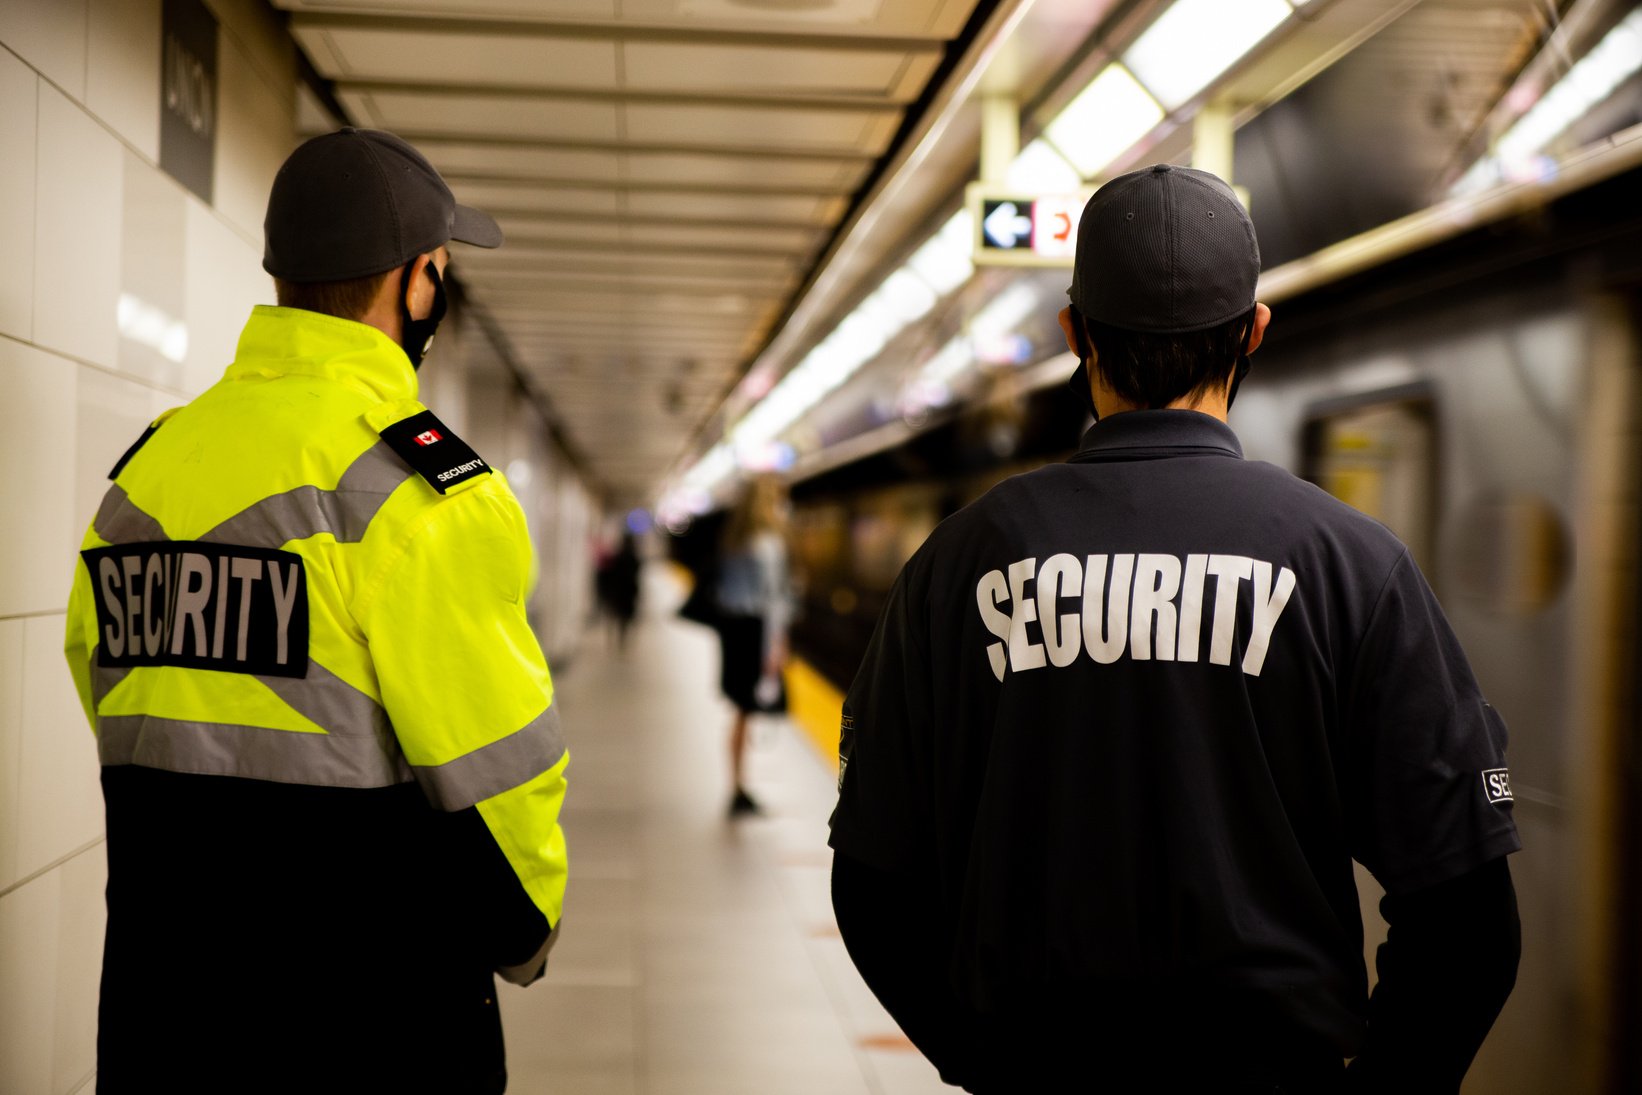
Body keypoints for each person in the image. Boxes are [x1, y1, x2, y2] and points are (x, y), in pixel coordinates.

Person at [828, 164, 1520, 1092]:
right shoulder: (1352, 565)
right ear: (1254, 333)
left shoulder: (958, 565)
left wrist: (982, 1056)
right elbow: (1469, 921)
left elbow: (872, 887)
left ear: (1075, 334)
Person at [64, 127, 569, 1093]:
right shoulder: (418, 496)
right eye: (441, 271)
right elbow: (500, 772)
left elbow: (105, 688)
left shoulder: (148, 471)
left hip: (158, 1017)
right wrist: (525, 931)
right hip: (369, 1026)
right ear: (416, 284)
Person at [715, 474, 794, 817]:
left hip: (733, 633)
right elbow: (773, 600)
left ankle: (737, 785)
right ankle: (738, 789)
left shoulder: (736, 540)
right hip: (755, 633)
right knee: (746, 710)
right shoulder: (768, 543)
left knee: (741, 711)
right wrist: (775, 647)